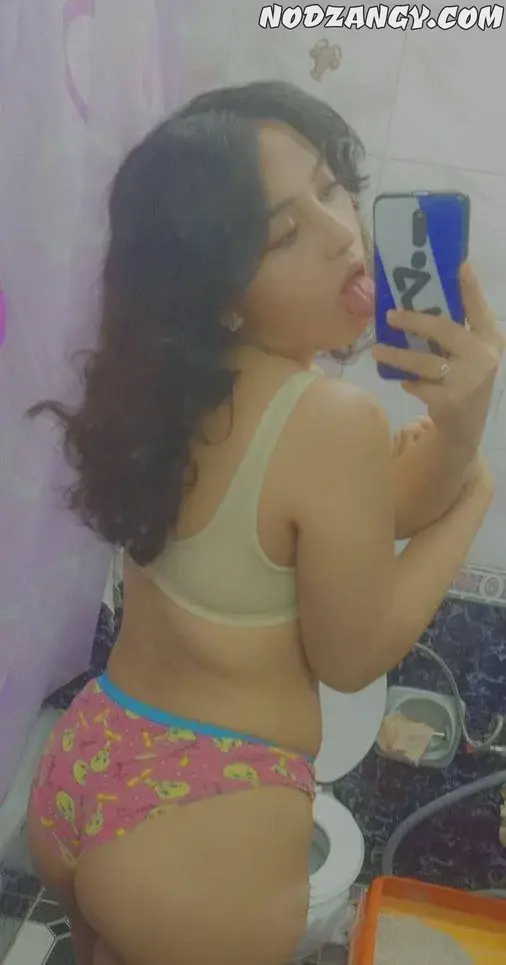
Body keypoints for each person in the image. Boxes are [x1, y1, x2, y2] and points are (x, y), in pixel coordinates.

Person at [27, 81, 502, 965]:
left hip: (89, 755)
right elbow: (353, 655)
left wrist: (458, 427)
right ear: (223, 290)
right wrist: (476, 487)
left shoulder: (177, 391)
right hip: (207, 822)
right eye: (283, 234)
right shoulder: (331, 418)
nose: (340, 232)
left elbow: (359, 518)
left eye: (330, 188)